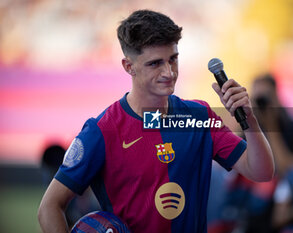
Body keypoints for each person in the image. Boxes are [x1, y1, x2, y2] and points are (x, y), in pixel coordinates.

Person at [37, 10, 274, 233]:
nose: (168, 72)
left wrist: (249, 121)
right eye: (155, 63)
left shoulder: (199, 116)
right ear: (129, 66)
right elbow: (49, 208)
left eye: (173, 59)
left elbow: (261, 171)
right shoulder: (102, 131)